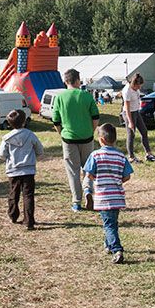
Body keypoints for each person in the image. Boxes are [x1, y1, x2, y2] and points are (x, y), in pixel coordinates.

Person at [51, 68, 100, 212]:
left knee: (73, 171)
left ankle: (76, 202)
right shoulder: (86, 96)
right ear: (78, 81)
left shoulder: (60, 97)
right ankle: (88, 191)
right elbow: (95, 117)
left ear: (65, 81)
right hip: (87, 138)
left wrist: (61, 134)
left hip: (68, 139)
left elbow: (56, 120)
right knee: (88, 168)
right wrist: (90, 130)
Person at [83, 123, 133, 264]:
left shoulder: (95, 155)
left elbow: (89, 173)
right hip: (117, 196)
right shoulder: (120, 156)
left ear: (101, 140)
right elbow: (127, 176)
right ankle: (109, 244)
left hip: (103, 197)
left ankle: (117, 249)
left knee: (108, 224)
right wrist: (118, 180)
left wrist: (96, 180)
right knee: (111, 222)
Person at [0, 110, 44, 231]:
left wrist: (8, 158)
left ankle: (13, 215)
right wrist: (35, 157)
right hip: (28, 170)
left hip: (13, 170)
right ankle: (29, 221)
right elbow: (40, 150)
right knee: (28, 195)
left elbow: (1, 154)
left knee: (14, 193)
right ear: (24, 121)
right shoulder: (30, 135)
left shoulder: (7, 138)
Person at [121, 73, 155, 163]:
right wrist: (130, 122)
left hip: (136, 112)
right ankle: (131, 157)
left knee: (144, 131)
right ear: (134, 84)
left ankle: (148, 153)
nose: (139, 88)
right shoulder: (127, 90)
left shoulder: (135, 89)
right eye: (138, 86)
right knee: (131, 134)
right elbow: (127, 108)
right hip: (128, 113)